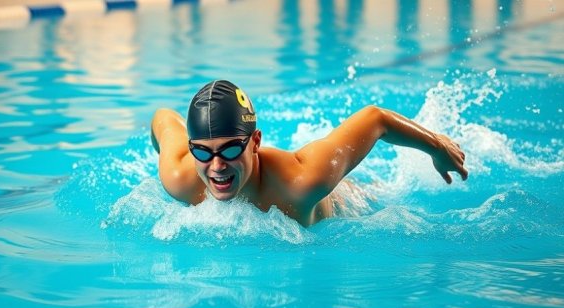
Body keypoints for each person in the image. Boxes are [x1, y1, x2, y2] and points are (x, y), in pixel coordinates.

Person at [151, 80, 468, 226]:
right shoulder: (180, 175)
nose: (216, 166)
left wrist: (437, 147)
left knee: (369, 193)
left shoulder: (302, 181)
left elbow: (376, 119)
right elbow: (164, 118)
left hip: (348, 201)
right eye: (203, 153)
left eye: (231, 149)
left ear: (256, 141)